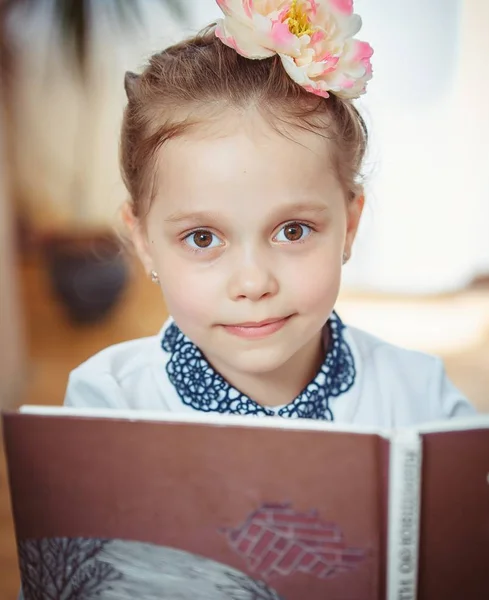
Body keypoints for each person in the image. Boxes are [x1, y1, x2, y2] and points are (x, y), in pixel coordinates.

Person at [64, 0, 475, 426]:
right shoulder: (107, 405)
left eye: (293, 231)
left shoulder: (422, 401)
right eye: (202, 237)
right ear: (143, 243)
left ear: (349, 226)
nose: (254, 283)